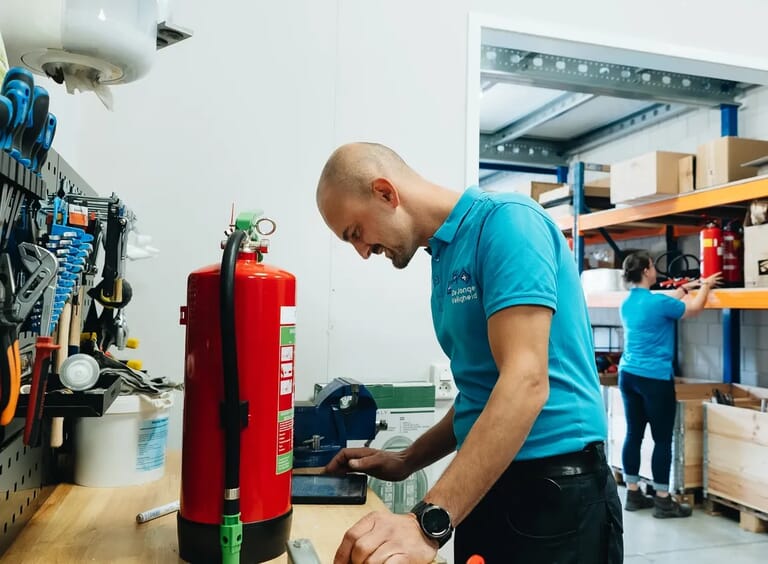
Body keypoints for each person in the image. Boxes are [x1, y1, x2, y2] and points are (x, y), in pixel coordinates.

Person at [315, 142, 623, 564]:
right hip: (486, 485)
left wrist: (427, 521)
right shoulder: (443, 256)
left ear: (386, 193)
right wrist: (406, 460)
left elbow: (525, 382)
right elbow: (481, 393)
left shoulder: (509, 223)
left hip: (556, 496)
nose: (363, 251)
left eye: (355, 233)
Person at [618, 251, 721, 518]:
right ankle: (663, 500)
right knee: (662, 438)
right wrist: (706, 287)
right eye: (652, 266)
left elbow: (664, 301)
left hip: (628, 375)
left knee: (634, 434)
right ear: (645, 271)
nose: (655, 270)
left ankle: (632, 493)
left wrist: (685, 287)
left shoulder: (629, 302)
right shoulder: (658, 304)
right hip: (654, 379)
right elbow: (693, 309)